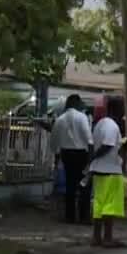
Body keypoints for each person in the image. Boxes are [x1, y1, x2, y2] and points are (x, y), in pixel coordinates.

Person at [89, 96, 126, 248]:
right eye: (122, 108)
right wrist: (94, 156)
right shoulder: (112, 125)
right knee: (109, 206)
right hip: (110, 169)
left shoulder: (100, 123)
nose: (124, 112)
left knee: (98, 205)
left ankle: (96, 237)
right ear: (116, 109)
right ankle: (108, 238)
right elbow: (108, 145)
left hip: (99, 169)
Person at [49, 94, 92, 224]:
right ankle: (83, 216)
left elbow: (53, 140)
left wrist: (56, 153)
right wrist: (90, 155)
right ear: (76, 103)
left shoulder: (60, 119)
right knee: (84, 184)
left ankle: (70, 216)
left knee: (70, 185)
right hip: (81, 154)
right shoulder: (82, 117)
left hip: (67, 154)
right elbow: (88, 138)